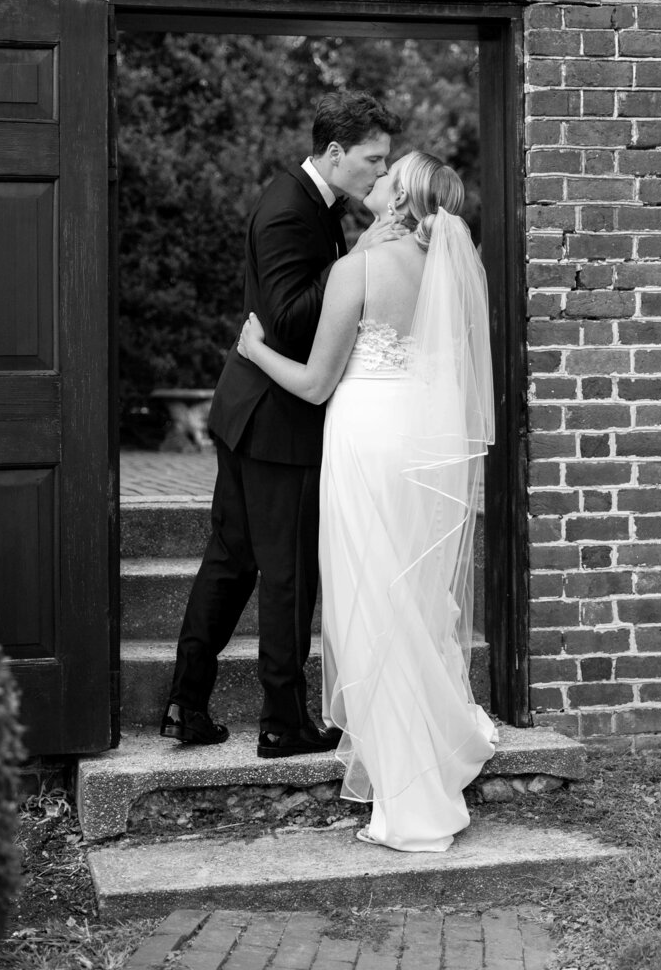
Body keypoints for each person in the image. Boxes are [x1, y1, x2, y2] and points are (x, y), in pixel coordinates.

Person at [237, 151, 496, 850]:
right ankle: (429, 754)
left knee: (368, 606)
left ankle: (409, 805)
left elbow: (318, 383)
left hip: (365, 441)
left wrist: (255, 350)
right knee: (409, 599)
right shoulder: (444, 270)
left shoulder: (357, 269)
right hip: (419, 437)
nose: (374, 181)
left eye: (386, 176)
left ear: (398, 198)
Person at [160, 91, 403, 758]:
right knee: (288, 573)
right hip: (277, 422)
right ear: (333, 152)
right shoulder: (289, 209)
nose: (380, 176)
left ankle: (187, 703)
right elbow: (292, 319)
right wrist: (357, 262)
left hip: (255, 412)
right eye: (371, 161)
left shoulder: (312, 204)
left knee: (231, 562)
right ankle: (283, 721)